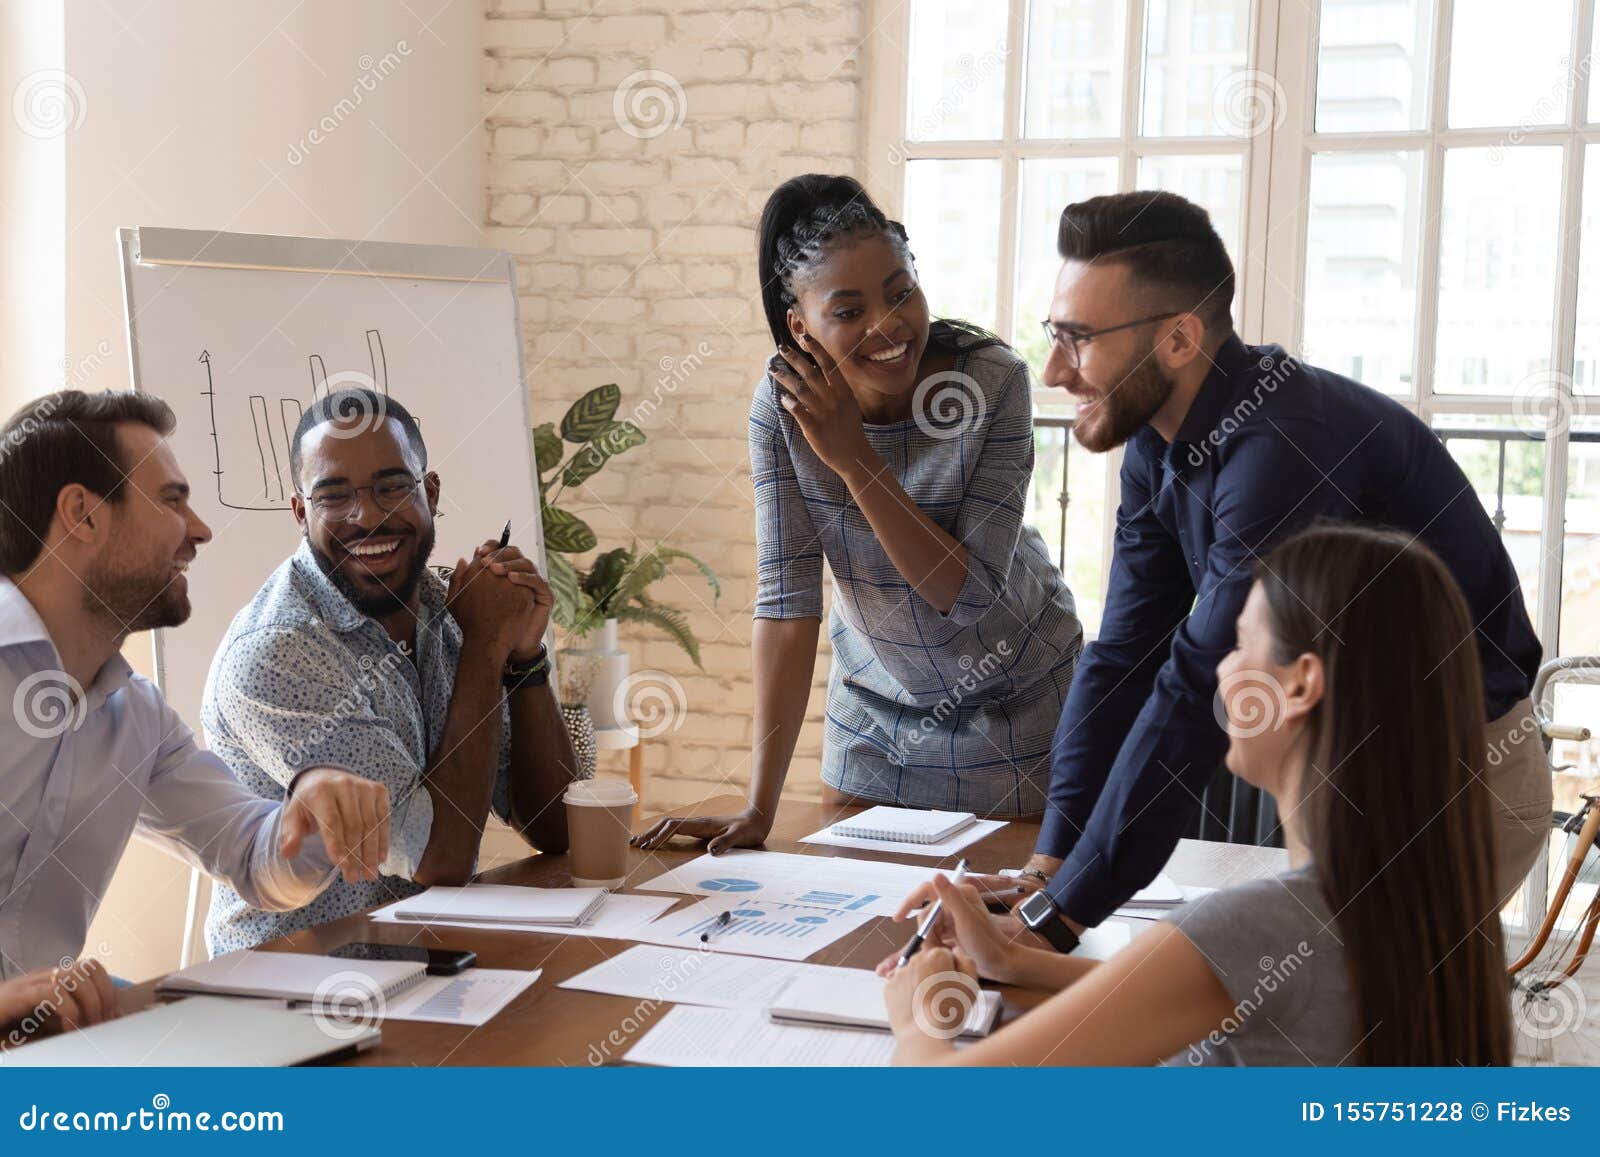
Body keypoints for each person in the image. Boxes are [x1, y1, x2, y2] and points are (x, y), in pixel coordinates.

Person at [983, 190, 1547, 952]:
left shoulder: (1283, 450)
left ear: (1180, 339)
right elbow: (1124, 657)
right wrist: (1050, 865)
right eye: (1056, 333)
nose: (1054, 369)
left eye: (1078, 339)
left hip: (1454, 778)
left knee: (1364, 1039)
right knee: (1307, 1029)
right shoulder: (1158, 442)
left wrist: (1064, 913)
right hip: (1352, 767)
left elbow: (1200, 686)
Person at [884, 524, 1513, 1066]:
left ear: (1299, 687)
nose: (1222, 669)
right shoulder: (1421, 902)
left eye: (1241, 645)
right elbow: (1236, 996)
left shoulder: (1261, 921)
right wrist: (1016, 962)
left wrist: (918, 1018)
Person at [633, 174, 1082, 853]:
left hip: (1018, 708)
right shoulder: (780, 409)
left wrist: (854, 457)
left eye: (901, 292)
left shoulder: (993, 383)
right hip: (876, 723)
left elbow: (963, 595)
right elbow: (786, 603)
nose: (889, 326)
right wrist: (758, 808)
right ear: (799, 324)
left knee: (997, 937)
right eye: (848, 311)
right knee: (853, 943)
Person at [0, 390, 389, 998]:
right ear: (83, 513)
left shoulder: (137, 718)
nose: (201, 531)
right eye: (172, 501)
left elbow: (256, 863)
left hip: (50, 1050)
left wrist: (308, 809)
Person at [202, 388, 577, 953]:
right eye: (334, 495)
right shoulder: (279, 652)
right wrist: (483, 647)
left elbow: (556, 827)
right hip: (298, 985)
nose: (368, 516)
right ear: (301, 513)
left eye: (392, 487)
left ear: (429, 492)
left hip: (427, 959)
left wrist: (523, 658)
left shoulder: (443, 604)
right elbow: (440, 859)